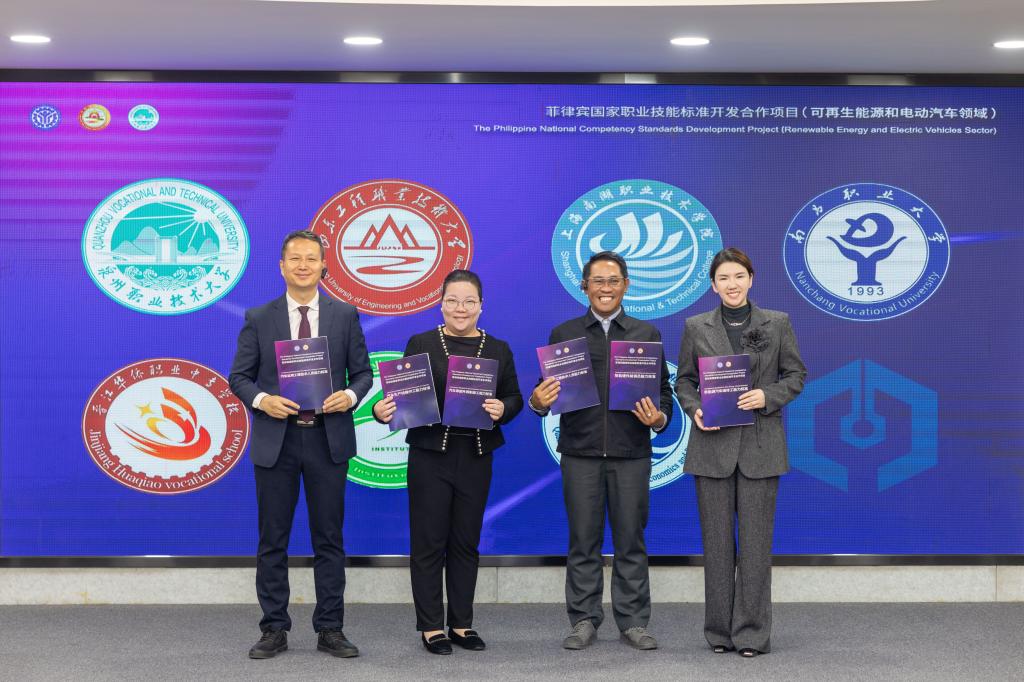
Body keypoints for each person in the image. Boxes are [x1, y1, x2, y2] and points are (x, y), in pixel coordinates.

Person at [229, 229, 372, 660]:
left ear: (324, 266)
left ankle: (330, 628)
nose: (303, 265)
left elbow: (363, 374)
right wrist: (263, 400)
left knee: (329, 538)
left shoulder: (344, 315)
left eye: (311, 258)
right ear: (282, 266)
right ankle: (274, 628)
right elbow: (239, 377)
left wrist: (349, 396)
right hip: (278, 440)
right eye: (295, 258)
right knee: (273, 540)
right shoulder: (259, 317)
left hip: (328, 439)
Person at [372, 269, 523, 655]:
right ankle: (430, 627)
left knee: (466, 541)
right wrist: (381, 410)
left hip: (475, 455)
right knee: (428, 541)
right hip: (429, 455)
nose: (461, 308)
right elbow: (400, 398)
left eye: (469, 301)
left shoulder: (498, 348)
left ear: (481, 306)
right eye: (453, 301)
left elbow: (514, 397)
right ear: (441, 304)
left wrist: (503, 408)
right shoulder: (421, 342)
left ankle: (461, 623)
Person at [529, 251, 672, 651]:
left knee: (631, 541)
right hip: (580, 453)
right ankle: (583, 619)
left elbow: (664, 393)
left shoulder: (646, 333)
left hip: (632, 454)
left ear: (626, 285)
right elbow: (544, 394)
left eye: (613, 281)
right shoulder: (565, 333)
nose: (605, 288)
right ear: (584, 287)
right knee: (583, 541)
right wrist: (538, 401)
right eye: (597, 281)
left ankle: (634, 621)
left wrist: (658, 418)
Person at [674, 247, 806, 658]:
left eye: (738, 276)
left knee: (755, 547)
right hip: (712, 447)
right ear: (713, 286)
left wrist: (767, 396)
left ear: (751, 279)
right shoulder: (695, 326)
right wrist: (695, 409)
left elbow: (796, 374)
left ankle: (751, 634)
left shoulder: (777, 322)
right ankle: (718, 632)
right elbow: (684, 381)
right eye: (723, 278)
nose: (732, 284)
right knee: (716, 546)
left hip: (760, 448)